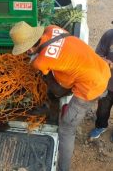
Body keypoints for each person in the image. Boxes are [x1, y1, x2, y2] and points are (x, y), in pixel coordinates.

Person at [9, 21, 111, 171]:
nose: (26, 52)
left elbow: (51, 83)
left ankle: (63, 168)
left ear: (30, 48)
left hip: (90, 86)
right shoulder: (51, 29)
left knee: (66, 129)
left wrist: (34, 63)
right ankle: (101, 92)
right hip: (100, 68)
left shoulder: (41, 61)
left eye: (25, 50)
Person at [89, 29, 113, 141]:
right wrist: (105, 61)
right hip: (107, 83)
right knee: (102, 109)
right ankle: (101, 126)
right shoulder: (109, 35)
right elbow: (97, 55)